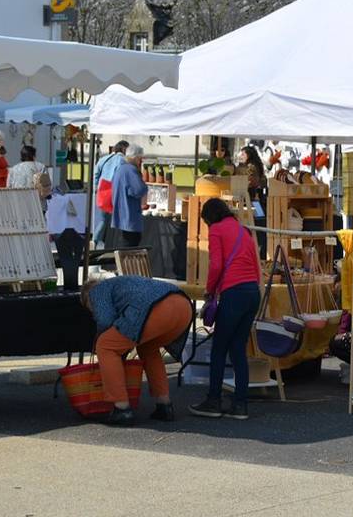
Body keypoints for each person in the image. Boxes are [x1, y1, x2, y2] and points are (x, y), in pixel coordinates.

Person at [81, 275, 192, 426]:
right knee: (148, 348)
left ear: (88, 297)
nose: (93, 313)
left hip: (156, 310)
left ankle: (122, 409)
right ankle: (164, 405)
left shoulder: (96, 291)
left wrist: (100, 341)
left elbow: (106, 320)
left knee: (105, 346)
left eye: (91, 309)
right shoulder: (122, 283)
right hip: (183, 306)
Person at [189, 198, 262, 420]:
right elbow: (256, 266)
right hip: (252, 293)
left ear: (210, 217)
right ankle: (240, 404)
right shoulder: (243, 231)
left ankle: (213, 400)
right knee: (238, 348)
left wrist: (210, 291)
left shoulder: (217, 230)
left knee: (219, 347)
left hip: (234, 292)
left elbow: (216, 264)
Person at [109, 144, 148, 248]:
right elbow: (139, 190)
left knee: (126, 244)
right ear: (135, 158)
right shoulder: (130, 170)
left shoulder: (120, 169)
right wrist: (144, 185)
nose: (141, 162)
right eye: (140, 159)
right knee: (130, 246)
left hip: (122, 215)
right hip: (129, 216)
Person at [92, 140, 129, 244]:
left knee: (103, 219)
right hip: (114, 191)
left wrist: (96, 187)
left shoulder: (103, 159)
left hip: (102, 190)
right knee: (115, 220)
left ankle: (96, 241)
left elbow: (95, 174)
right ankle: (100, 241)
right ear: (124, 149)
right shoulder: (123, 160)